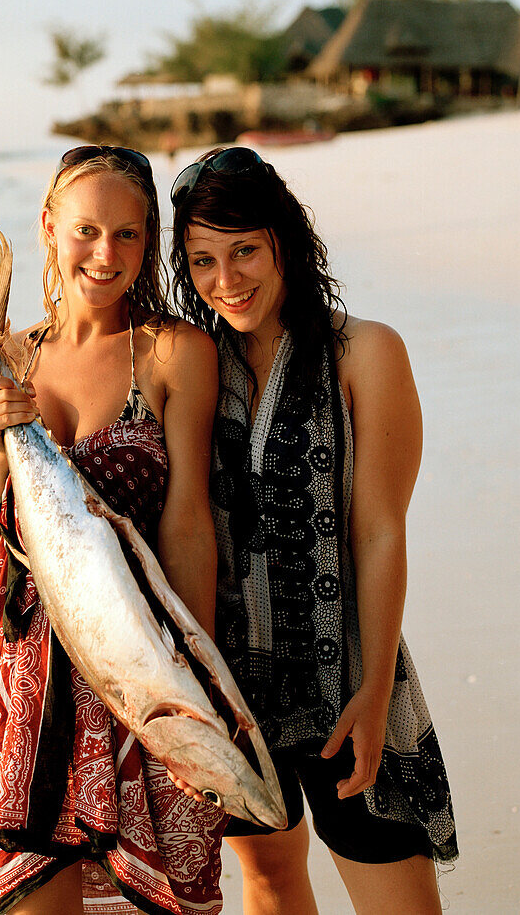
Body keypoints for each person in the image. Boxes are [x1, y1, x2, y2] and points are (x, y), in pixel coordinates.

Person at [169, 147, 458, 915]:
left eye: (243, 252)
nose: (225, 281)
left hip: (347, 686)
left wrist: (369, 691)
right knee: (268, 880)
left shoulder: (364, 352)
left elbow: (380, 532)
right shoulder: (195, 364)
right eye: (201, 261)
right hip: (235, 691)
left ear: (283, 243)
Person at [0, 146, 225, 914]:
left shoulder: (176, 353)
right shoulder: (2, 360)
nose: (105, 254)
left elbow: (187, 528)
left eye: (128, 235)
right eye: (85, 231)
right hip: (29, 682)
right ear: (49, 228)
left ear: (149, 240)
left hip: (140, 670)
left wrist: (194, 694)